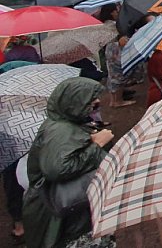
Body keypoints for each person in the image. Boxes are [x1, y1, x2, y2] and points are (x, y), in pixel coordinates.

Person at [22, 77, 115, 248]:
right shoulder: (60, 131)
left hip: (71, 214)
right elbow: (58, 169)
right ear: (74, 102)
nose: (97, 101)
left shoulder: (66, 124)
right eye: (90, 99)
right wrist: (96, 145)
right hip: (68, 221)